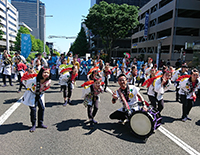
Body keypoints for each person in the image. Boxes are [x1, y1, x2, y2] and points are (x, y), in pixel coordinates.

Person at [21, 66, 51, 132]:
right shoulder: (34, 79)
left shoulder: (48, 80)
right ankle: (33, 124)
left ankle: (40, 123)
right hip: (32, 94)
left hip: (40, 95)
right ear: (41, 73)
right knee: (33, 109)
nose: (46, 74)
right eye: (45, 72)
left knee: (42, 108)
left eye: (48, 73)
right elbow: (26, 84)